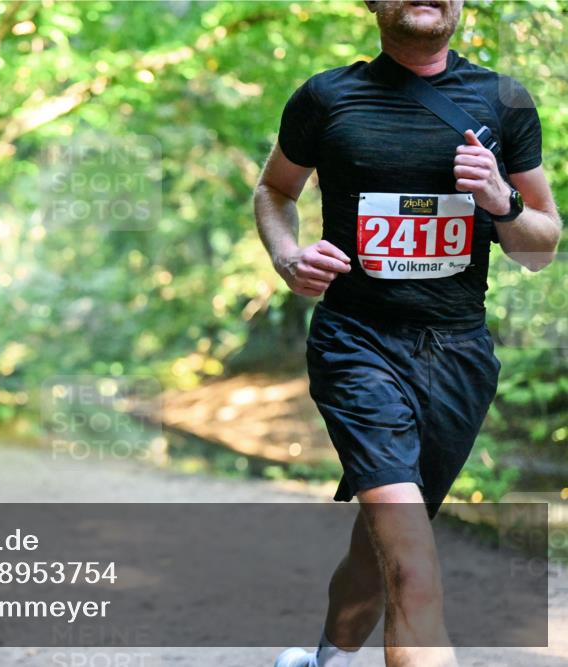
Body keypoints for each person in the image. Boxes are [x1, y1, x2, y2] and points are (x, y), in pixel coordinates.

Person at [254, 2, 561, 666]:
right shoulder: (326, 97)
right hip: (357, 344)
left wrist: (501, 200)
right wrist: (287, 257)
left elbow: (540, 246)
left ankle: (323, 661)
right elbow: (275, 190)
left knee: (384, 548)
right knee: (415, 562)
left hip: (457, 358)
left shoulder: (503, 100)